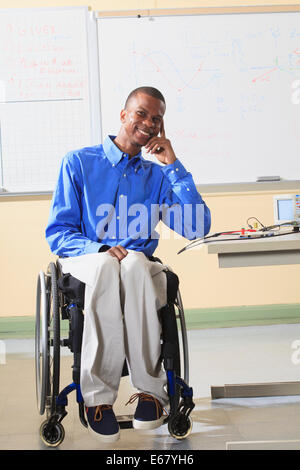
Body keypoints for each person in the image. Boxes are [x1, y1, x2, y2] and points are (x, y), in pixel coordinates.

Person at [46, 86, 211, 443]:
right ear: (123, 115)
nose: (149, 123)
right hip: (90, 260)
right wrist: (100, 248)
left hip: (137, 266)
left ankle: (151, 392)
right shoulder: (78, 162)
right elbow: (59, 232)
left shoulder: (156, 177)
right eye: (142, 114)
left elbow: (197, 227)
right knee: (109, 265)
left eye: (157, 119)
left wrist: (174, 166)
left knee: (135, 264)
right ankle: (97, 398)